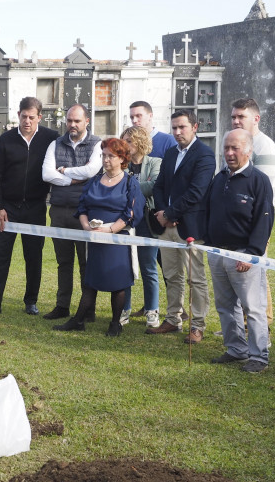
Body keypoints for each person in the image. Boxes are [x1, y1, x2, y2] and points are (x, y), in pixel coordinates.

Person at [0, 97, 59, 318]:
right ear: (18, 115)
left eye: (32, 117)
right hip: (9, 209)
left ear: (40, 117)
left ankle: (31, 301)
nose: (27, 121)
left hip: (35, 207)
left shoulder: (51, 139)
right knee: (1, 256)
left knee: (34, 257)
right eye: (24, 116)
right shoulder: (6, 139)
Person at [53, 138, 144, 336]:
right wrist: (86, 226)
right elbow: (83, 206)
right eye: (103, 155)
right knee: (90, 281)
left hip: (117, 240)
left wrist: (111, 231)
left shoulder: (130, 183)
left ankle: (115, 323)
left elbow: (132, 213)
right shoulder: (94, 181)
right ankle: (78, 320)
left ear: (122, 158)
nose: (106, 159)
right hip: (94, 238)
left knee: (118, 283)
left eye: (111, 156)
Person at [204, 129, 274, 374]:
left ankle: (259, 356)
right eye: (226, 148)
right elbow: (208, 211)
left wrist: (252, 255)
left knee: (253, 308)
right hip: (217, 253)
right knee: (225, 305)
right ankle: (236, 349)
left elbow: (264, 221)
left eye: (235, 148)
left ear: (248, 150)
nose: (230, 153)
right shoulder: (220, 177)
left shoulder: (259, 181)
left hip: (244, 254)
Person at [146, 109, 216, 343]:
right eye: (174, 128)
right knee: (172, 275)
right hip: (167, 227)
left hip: (191, 228)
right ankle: (173, 319)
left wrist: (171, 213)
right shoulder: (169, 153)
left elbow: (197, 191)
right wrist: (164, 214)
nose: (177, 132)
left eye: (182, 127)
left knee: (196, 279)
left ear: (194, 127)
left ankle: (197, 325)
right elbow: (159, 186)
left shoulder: (205, 154)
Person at [40, 104, 102, 321]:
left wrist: (64, 171)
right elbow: (47, 174)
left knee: (87, 263)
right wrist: (75, 179)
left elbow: (92, 170)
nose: (72, 125)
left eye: (77, 121)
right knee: (63, 262)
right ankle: (62, 306)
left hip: (85, 213)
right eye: (69, 121)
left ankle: (88, 309)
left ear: (87, 121)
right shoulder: (55, 144)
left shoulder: (97, 144)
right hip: (58, 212)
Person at [231, 97, 275, 332]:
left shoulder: (265, 147)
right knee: (237, 275)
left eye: (242, 116)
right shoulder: (234, 143)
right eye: (233, 117)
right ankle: (242, 322)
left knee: (257, 274)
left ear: (256, 119)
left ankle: (263, 324)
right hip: (235, 222)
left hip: (256, 221)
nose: (236, 121)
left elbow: (261, 194)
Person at [119, 126, 162, 329]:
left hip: (147, 221)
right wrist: (135, 186)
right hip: (125, 221)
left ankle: (152, 310)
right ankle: (124, 308)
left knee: (148, 267)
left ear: (140, 141)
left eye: (129, 141)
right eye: (123, 140)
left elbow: (153, 186)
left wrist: (129, 185)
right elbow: (116, 187)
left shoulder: (155, 162)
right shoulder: (121, 164)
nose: (125, 145)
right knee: (125, 266)